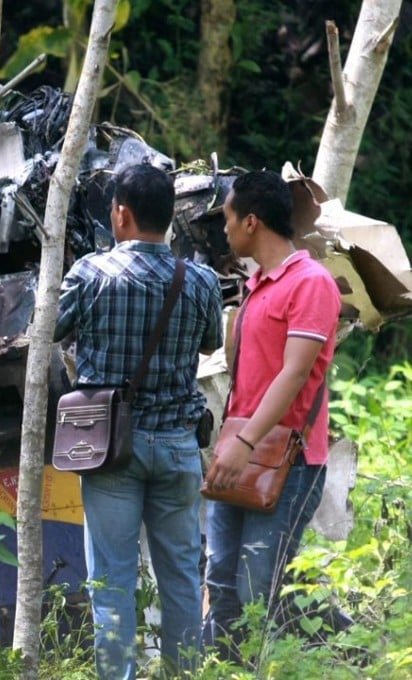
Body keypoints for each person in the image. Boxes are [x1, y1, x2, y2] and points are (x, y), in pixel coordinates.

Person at [54, 163, 224, 679]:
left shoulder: (88, 274)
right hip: (177, 447)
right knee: (181, 579)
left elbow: (46, 329)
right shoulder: (199, 280)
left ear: (121, 213)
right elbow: (211, 344)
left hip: (110, 449)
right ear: (170, 217)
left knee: (112, 581)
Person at [202, 170, 341, 660]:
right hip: (239, 449)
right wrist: (231, 442)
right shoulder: (255, 286)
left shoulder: (311, 283)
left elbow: (295, 374)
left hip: (289, 461)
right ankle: (220, 668)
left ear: (252, 222)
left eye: (228, 218)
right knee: (220, 579)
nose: (225, 229)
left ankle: (326, 653)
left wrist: (241, 444)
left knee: (257, 584)